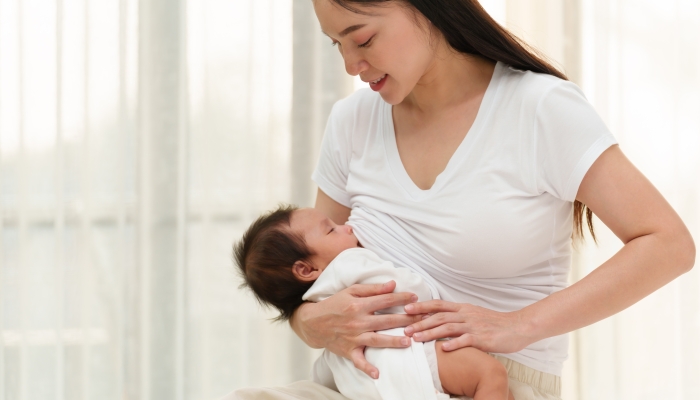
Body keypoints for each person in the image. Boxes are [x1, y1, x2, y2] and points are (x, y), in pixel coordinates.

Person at [229, 0, 695, 399]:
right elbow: (310, 270)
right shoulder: (352, 121)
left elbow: (668, 244)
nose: (351, 65)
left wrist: (518, 325)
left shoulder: (539, 108)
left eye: (363, 39)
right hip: (373, 379)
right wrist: (306, 323)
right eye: (338, 45)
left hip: (492, 381)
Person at [235, 204, 514, 400]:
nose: (347, 227)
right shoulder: (349, 263)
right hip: (402, 354)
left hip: (358, 373)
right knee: (490, 376)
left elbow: (322, 375)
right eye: (331, 230)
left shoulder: (316, 300)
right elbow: (412, 294)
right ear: (306, 269)